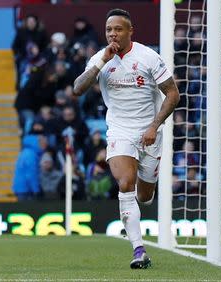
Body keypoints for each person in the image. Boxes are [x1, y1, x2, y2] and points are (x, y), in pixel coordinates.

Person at [72, 9, 179, 269]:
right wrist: (99, 63)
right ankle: (138, 250)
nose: (113, 34)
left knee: (144, 195)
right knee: (125, 182)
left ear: (130, 31)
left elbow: (173, 94)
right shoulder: (101, 57)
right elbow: (77, 89)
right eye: (109, 30)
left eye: (118, 29)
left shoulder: (148, 57)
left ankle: (143, 196)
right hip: (119, 130)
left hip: (149, 131)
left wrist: (155, 125)